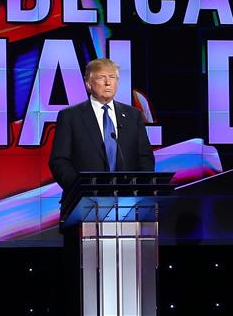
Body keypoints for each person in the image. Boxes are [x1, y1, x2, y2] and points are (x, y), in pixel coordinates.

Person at [48, 58, 155, 315]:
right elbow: (59, 160)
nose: (108, 82)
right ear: (88, 83)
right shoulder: (71, 116)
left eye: (113, 77)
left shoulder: (132, 116)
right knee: (84, 286)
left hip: (127, 212)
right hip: (83, 213)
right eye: (101, 77)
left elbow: (145, 159)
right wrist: (81, 191)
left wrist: (138, 192)